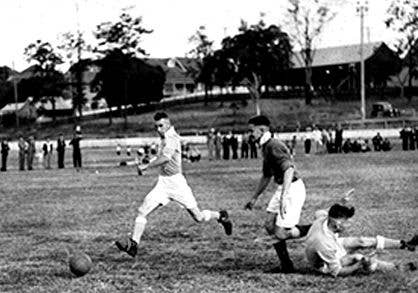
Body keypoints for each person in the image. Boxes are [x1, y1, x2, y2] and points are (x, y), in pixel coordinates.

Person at [115, 112, 233, 257]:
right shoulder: (164, 138)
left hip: (177, 184)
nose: (158, 129)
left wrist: (146, 167)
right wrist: (147, 163)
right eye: (156, 126)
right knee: (142, 211)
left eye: (161, 126)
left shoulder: (171, 138)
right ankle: (133, 245)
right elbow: (160, 157)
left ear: (168, 124)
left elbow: (165, 158)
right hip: (163, 183)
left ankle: (220, 215)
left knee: (198, 217)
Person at [244, 115, 311, 273]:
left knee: (280, 233)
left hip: (292, 188)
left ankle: (319, 226)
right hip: (284, 187)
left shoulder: (273, 145)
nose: (249, 134)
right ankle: (286, 265)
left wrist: (284, 196)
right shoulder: (266, 146)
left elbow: (289, 169)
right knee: (269, 225)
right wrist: (254, 198)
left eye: (251, 131)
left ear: (262, 130)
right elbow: (267, 176)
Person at [305, 203, 418, 277]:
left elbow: (319, 212)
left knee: (361, 241)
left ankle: (407, 245)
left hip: (333, 243)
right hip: (325, 264)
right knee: (358, 257)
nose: (350, 224)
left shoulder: (324, 218)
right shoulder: (324, 244)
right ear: (336, 223)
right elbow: (337, 272)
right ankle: (396, 267)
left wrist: (342, 201)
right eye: (347, 221)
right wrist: (359, 264)